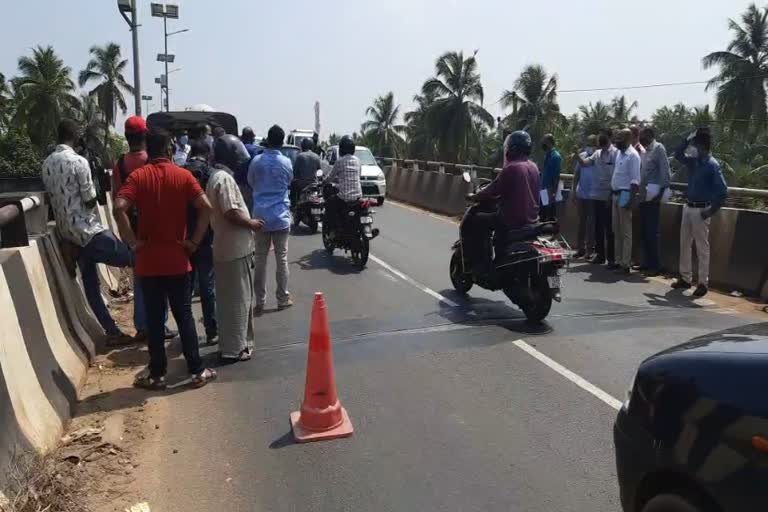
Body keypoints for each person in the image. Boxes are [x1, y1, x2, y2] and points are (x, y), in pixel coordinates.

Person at [114, 130, 217, 390]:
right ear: (171, 149)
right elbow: (206, 207)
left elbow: (118, 208)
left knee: (155, 318)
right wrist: (193, 242)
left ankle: (157, 374)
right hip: (178, 259)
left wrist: (132, 242)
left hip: (148, 261)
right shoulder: (183, 176)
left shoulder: (138, 177)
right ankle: (196, 371)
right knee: (183, 315)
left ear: (149, 150)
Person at [42, 119, 133, 345]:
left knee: (91, 286)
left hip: (68, 236)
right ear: (77, 137)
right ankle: (147, 322)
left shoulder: (46, 164)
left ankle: (112, 332)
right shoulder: (79, 162)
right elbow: (90, 200)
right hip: (89, 230)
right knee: (135, 258)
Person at [112, 116, 175, 342]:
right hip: (156, 225)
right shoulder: (153, 160)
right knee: (163, 276)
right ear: (145, 136)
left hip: (134, 229)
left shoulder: (119, 164)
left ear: (127, 138)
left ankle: (142, 325)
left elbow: (116, 200)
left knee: (141, 277)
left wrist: (127, 236)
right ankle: (161, 324)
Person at [208, 135, 265, 362]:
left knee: (231, 299)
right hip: (233, 248)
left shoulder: (217, 177)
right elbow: (231, 211)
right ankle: (235, 348)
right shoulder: (224, 179)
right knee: (237, 300)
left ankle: (234, 344)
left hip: (228, 247)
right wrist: (251, 223)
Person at [466, 130, 540, 271]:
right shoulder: (534, 167)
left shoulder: (511, 168)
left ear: (511, 148)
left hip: (511, 219)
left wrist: (473, 197)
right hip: (532, 220)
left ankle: (482, 262)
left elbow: (492, 189)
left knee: (477, 219)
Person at [671, 128, 728, 297]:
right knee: (684, 244)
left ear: (702, 145)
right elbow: (677, 154)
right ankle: (685, 278)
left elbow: (723, 192)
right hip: (688, 207)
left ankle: (703, 282)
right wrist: (688, 138)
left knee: (702, 248)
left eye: (695, 144)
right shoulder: (693, 162)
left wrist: (710, 211)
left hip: (702, 210)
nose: (693, 147)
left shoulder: (712, 165)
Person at [247, 125, 294, 312]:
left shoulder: (256, 161)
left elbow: (251, 182)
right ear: (282, 142)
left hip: (261, 216)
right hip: (281, 216)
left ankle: (260, 301)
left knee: (260, 260)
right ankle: (282, 298)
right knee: (282, 259)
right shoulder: (286, 162)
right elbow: (289, 181)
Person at [184, 140, 219, 345]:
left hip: (184, 238)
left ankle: (186, 331)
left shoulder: (180, 172)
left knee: (185, 288)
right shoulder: (212, 173)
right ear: (208, 154)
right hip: (205, 237)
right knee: (207, 286)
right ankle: (211, 330)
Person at [575, 133, 618, 266]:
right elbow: (584, 164)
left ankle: (611, 259)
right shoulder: (597, 154)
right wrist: (576, 154)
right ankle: (600, 256)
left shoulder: (616, 153)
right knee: (598, 227)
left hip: (609, 195)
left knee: (609, 228)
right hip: (596, 195)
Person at [637, 127, 671, 277]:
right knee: (643, 231)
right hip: (644, 195)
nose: (641, 140)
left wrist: (660, 194)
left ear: (650, 135)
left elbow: (665, 173)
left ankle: (655, 265)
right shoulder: (644, 151)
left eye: (643, 137)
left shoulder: (658, 149)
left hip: (653, 196)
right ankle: (645, 263)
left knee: (651, 232)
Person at [609, 128, 641, 274]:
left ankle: (625, 264)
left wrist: (631, 199)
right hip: (615, 194)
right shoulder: (619, 154)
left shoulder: (633, 156)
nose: (617, 140)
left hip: (625, 194)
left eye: (620, 138)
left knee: (626, 231)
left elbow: (635, 181)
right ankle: (617, 260)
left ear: (628, 139)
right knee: (616, 230)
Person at [324, 135, 363, 238]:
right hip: (358, 197)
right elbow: (358, 176)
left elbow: (330, 177)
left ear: (341, 148)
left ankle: (333, 230)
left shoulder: (339, 161)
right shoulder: (358, 161)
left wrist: (324, 181)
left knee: (329, 204)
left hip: (344, 197)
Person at [571, 135, 597, 258]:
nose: (591, 145)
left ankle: (590, 250)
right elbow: (576, 175)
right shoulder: (582, 155)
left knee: (591, 224)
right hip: (582, 194)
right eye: (589, 143)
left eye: (593, 143)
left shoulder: (598, 156)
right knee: (581, 223)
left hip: (594, 195)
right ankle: (580, 248)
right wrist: (573, 191)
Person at [291, 138, 322, 206]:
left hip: (302, 184)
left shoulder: (300, 156)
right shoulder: (316, 156)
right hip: (314, 184)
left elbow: (295, 172)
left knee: (292, 184)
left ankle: (293, 205)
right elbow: (319, 171)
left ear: (302, 146)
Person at [540, 134, 562, 221]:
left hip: (550, 188)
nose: (543, 144)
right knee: (543, 212)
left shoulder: (556, 156)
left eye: (544, 142)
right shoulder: (547, 155)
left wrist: (554, 191)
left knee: (550, 214)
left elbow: (556, 175)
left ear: (549, 142)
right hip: (544, 188)